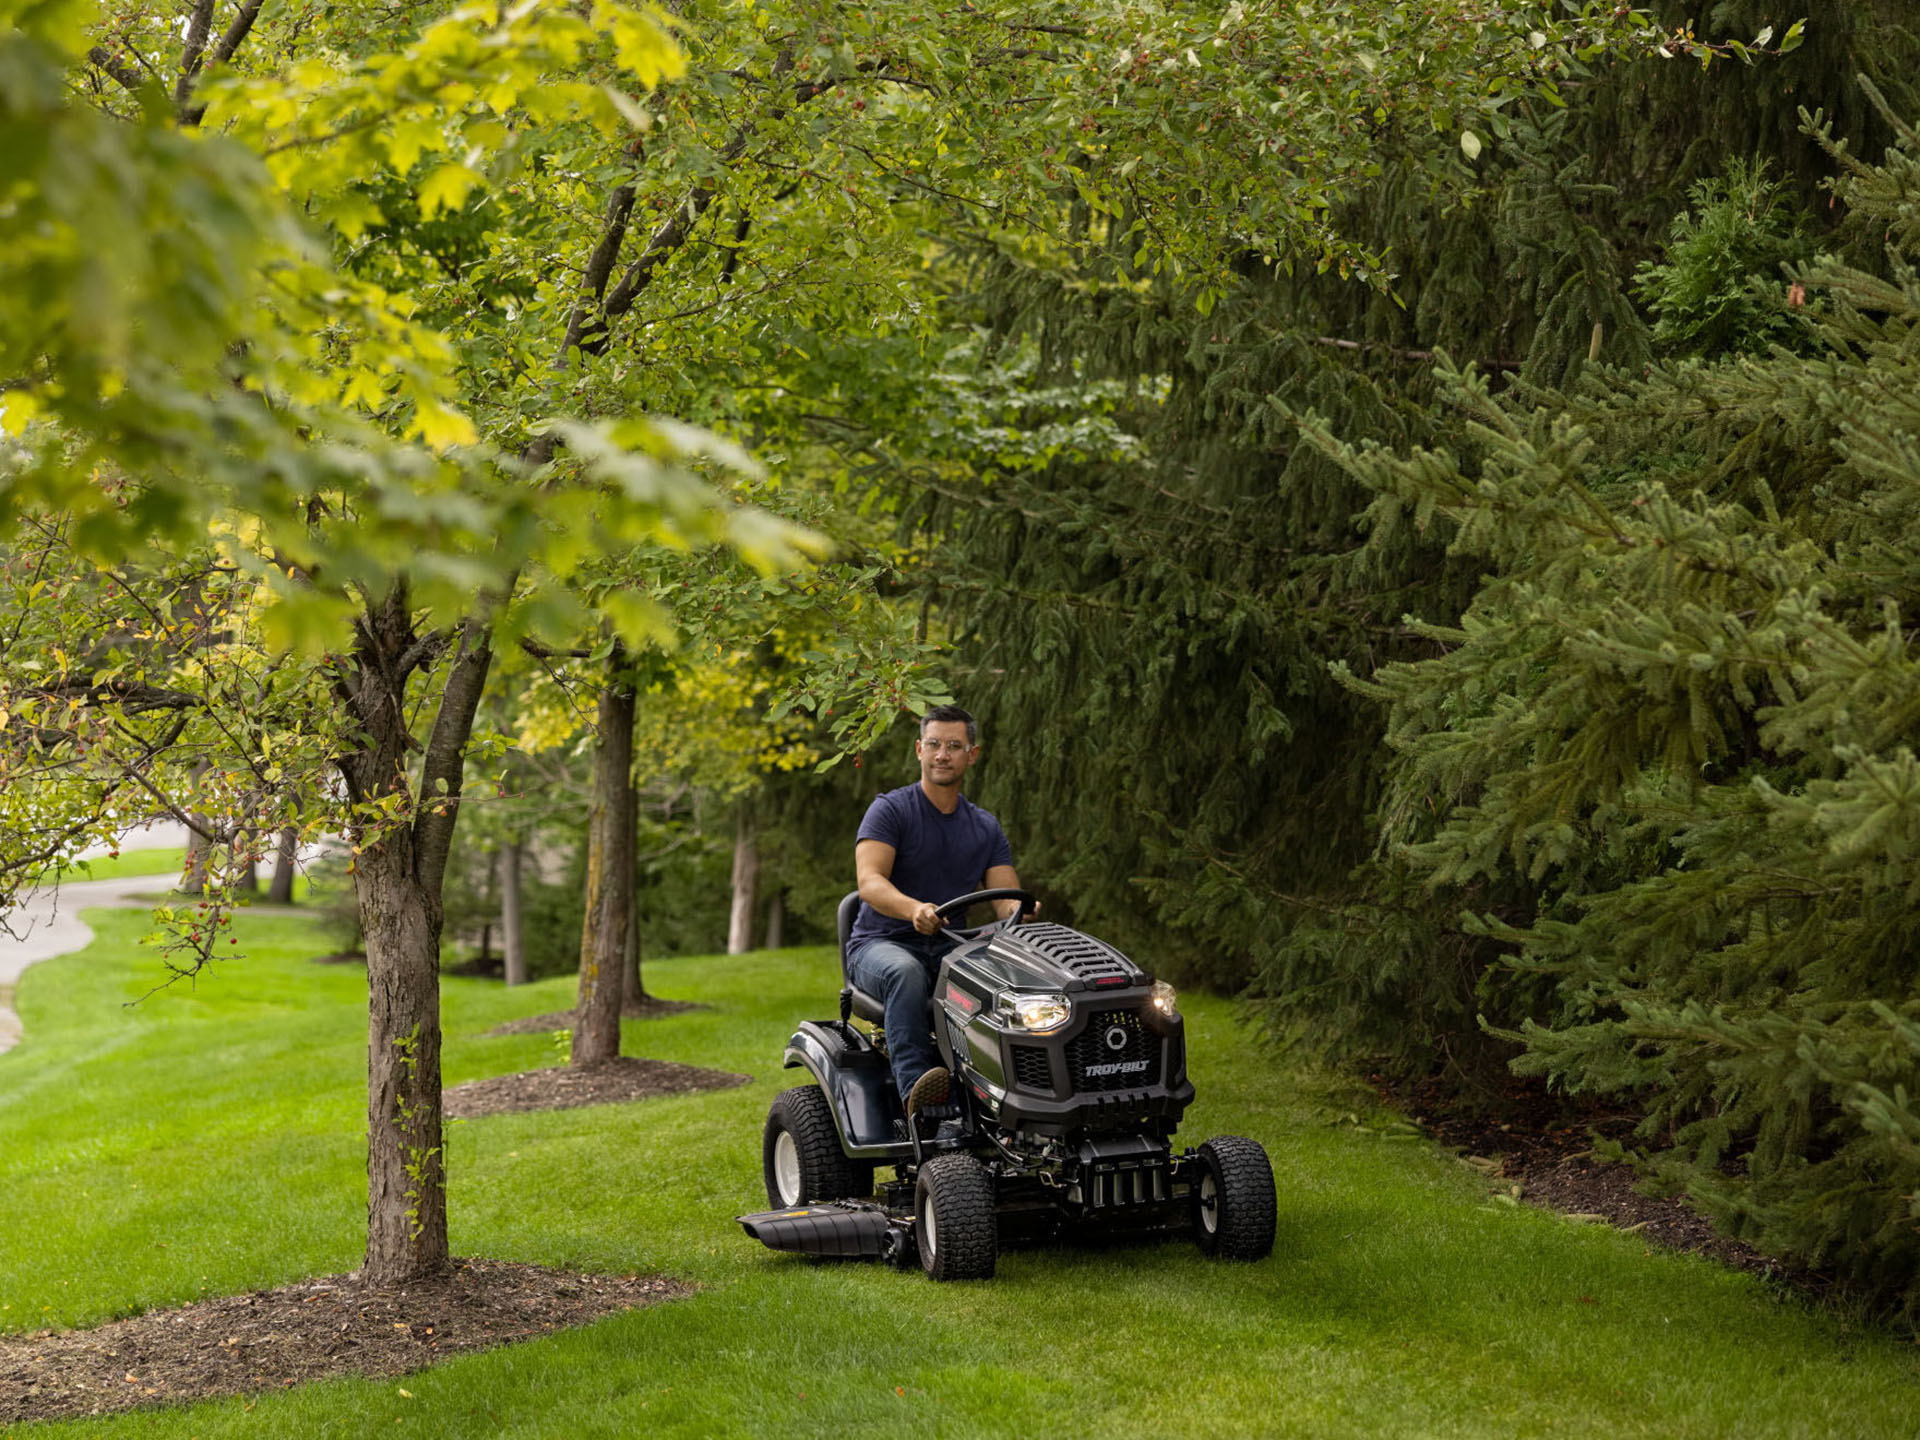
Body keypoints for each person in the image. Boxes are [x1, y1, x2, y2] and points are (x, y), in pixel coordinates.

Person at [846, 704, 1025, 1132]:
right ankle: (917, 1099)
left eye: (954, 746)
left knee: (1006, 980)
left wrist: (1021, 912)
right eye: (934, 744)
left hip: (950, 946)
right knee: (905, 972)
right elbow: (869, 883)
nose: (942, 754)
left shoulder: (984, 826)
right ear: (919, 750)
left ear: (972, 754)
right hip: (880, 944)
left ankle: (1006, 1097)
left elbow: (1006, 899)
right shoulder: (891, 810)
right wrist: (914, 909)